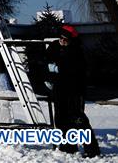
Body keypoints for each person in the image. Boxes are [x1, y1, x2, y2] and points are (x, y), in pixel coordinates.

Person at [45, 25, 100, 157]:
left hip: (74, 91)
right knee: (60, 119)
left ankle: (92, 150)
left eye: (66, 39)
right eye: (61, 38)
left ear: (71, 40)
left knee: (78, 120)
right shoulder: (53, 46)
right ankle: (68, 147)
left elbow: (77, 71)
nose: (62, 41)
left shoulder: (76, 51)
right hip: (58, 89)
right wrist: (48, 76)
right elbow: (45, 62)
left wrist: (59, 69)